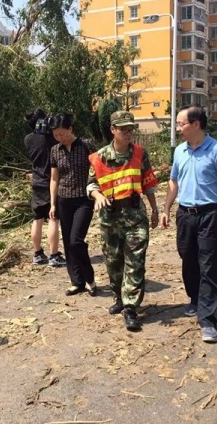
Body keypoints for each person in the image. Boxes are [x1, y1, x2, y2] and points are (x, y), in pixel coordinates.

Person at [161, 105, 217, 344]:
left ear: (195, 124)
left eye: (181, 123)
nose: (178, 127)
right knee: (188, 259)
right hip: (185, 214)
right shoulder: (180, 151)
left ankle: (208, 319)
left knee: (207, 264)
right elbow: (173, 182)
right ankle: (195, 299)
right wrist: (166, 208)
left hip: (208, 214)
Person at [87, 111, 159, 331]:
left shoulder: (139, 152)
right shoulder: (98, 157)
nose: (128, 133)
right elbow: (91, 185)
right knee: (113, 261)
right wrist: (97, 196)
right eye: (123, 129)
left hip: (135, 215)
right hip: (110, 217)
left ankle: (130, 307)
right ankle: (118, 296)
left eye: (130, 129)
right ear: (112, 130)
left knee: (135, 262)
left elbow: (148, 183)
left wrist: (155, 209)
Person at [48, 113, 97, 296]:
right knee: (68, 243)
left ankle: (90, 279)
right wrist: (53, 204)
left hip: (84, 200)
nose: (59, 138)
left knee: (76, 241)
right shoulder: (55, 150)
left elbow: (97, 170)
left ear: (70, 129)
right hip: (63, 200)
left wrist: (98, 193)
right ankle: (77, 281)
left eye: (62, 133)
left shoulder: (86, 145)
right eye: (55, 135)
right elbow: (54, 178)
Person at [23, 108, 66, 267]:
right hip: (51, 183)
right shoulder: (52, 140)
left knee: (37, 219)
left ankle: (38, 254)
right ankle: (54, 255)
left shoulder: (28, 139)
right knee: (53, 218)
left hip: (36, 182)